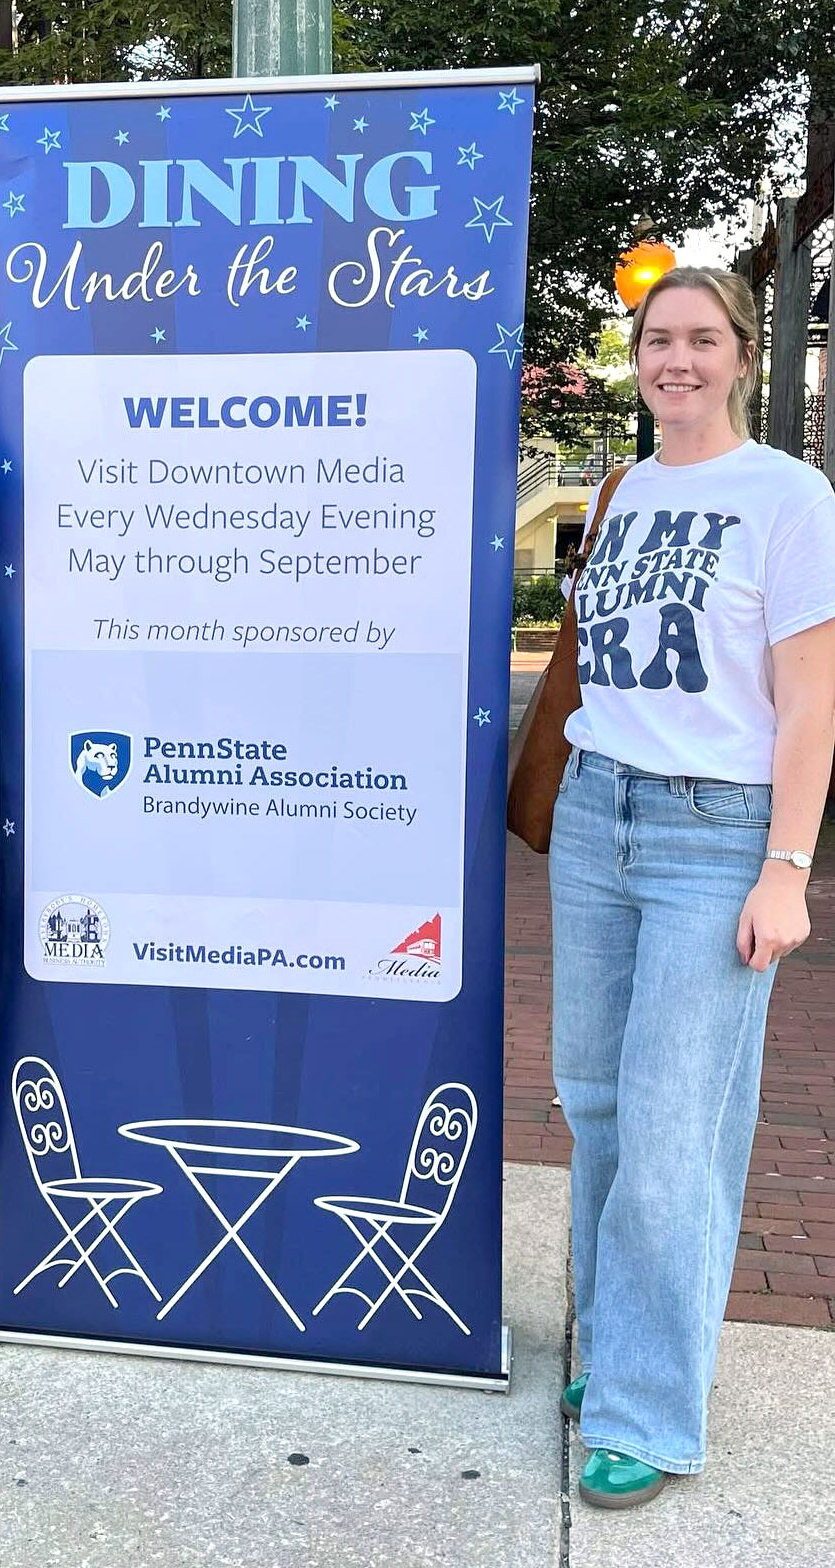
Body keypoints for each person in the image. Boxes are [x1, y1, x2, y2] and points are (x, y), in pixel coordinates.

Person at [550, 266, 835, 1508]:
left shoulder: (789, 495)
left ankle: (650, 1409)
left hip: (713, 833)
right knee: (598, 1103)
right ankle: (616, 1340)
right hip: (593, 809)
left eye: (701, 339)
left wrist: (788, 862)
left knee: (678, 1128)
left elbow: (813, 697)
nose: (677, 358)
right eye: (658, 339)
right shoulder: (624, 487)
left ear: (739, 355)